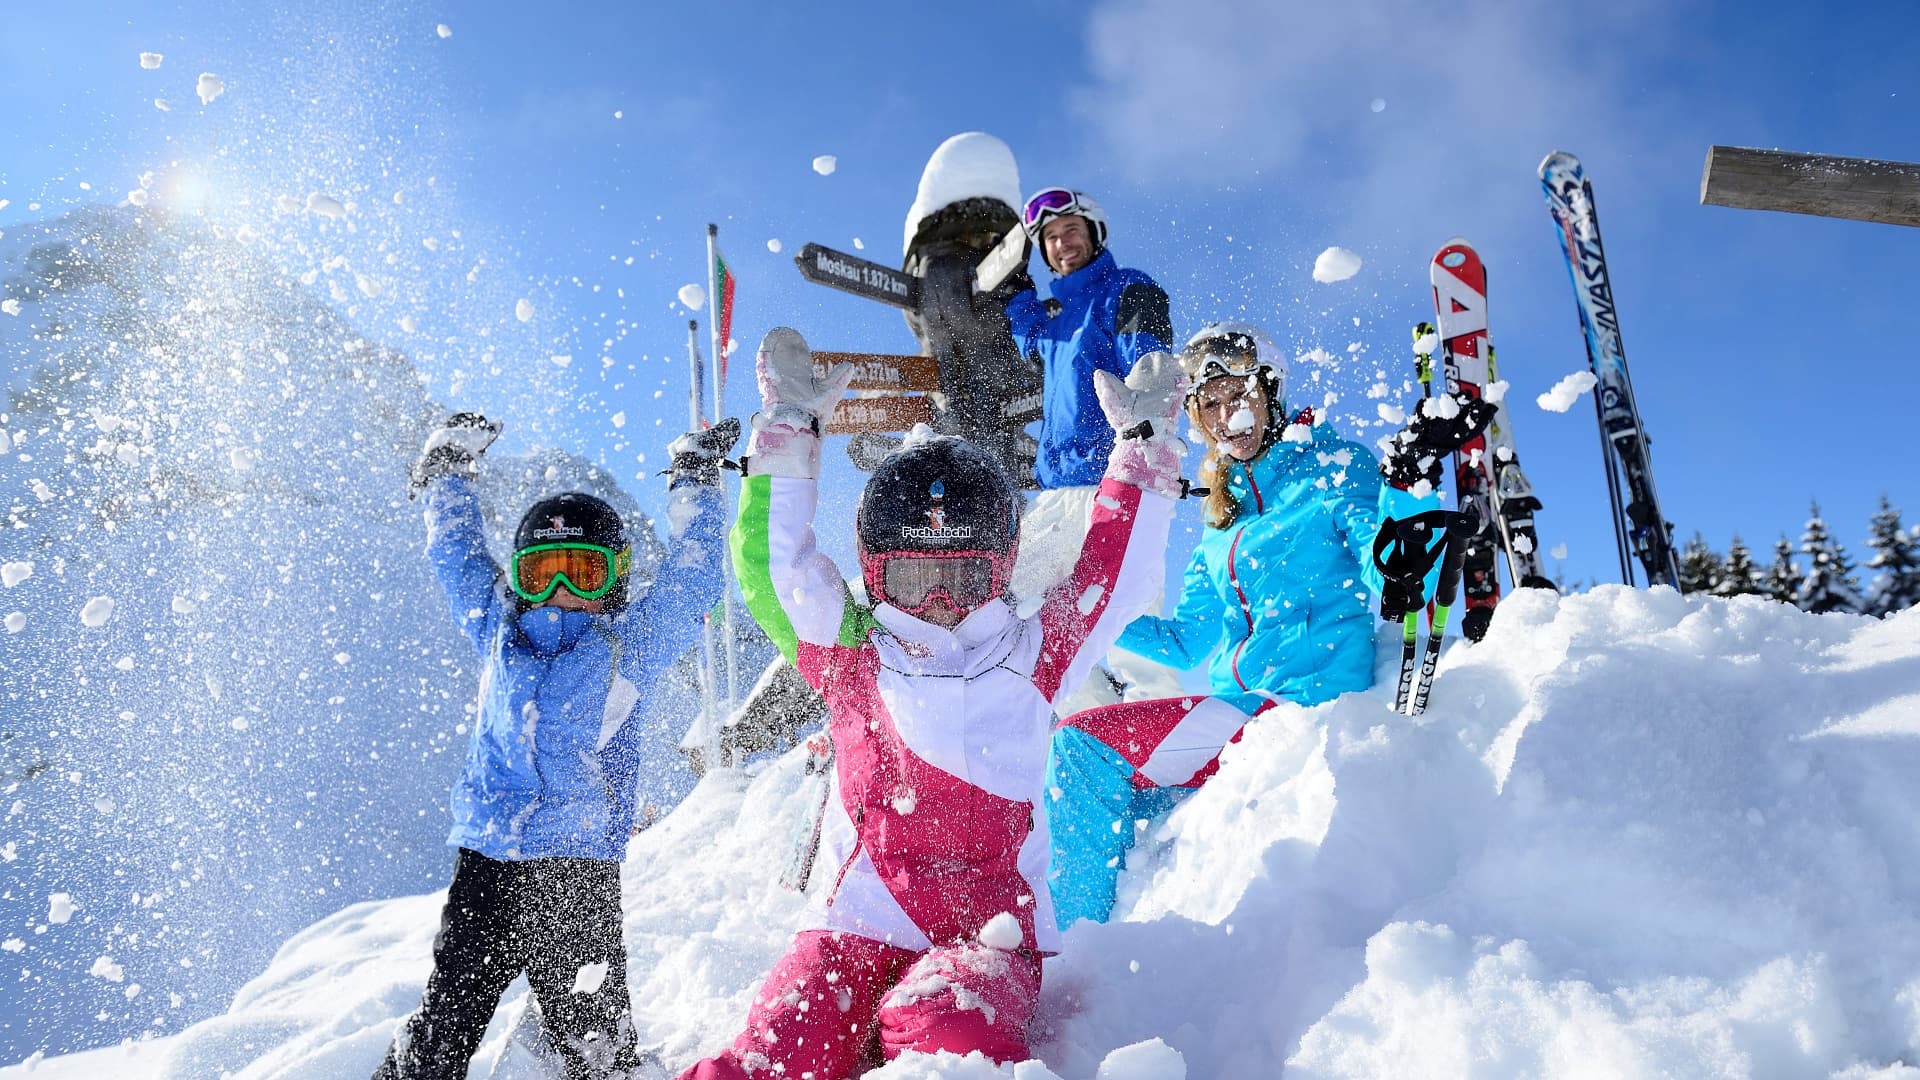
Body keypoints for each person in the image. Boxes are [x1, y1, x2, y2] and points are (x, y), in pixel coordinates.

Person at [676, 327, 1186, 1080]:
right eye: (915, 582)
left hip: (992, 938)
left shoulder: (1034, 651)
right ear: (877, 576)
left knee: (947, 1025)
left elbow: (1112, 570)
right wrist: (787, 436)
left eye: (965, 580)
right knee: (773, 1051)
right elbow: (774, 569)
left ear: (1002, 568)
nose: (941, 607)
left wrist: (1140, 459)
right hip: (853, 928)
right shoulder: (852, 654)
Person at [1044, 323, 1494, 929]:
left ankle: (1074, 956)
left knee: (1082, 749)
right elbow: (1184, 643)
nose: (1229, 414)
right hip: (1237, 710)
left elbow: (1389, 570)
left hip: (1299, 703)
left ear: (1271, 392)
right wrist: (1085, 611)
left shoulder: (1331, 467)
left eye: (1240, 395)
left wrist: (1405, 482)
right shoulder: (1220, 519)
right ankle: (1110, 933)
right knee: (1111, 803)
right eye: (1212, 405)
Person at [375, 412, 739, 1080]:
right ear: (518, 575)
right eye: (541, 572)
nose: (562, 592)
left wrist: (696, 482)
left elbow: (694, 579)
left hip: (575, 875)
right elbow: (456, 556)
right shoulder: (496, 626)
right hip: (486, 861)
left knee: (596, 1041)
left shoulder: (633, 643)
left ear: (617, 579)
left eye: (583, 572)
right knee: (445, 1029)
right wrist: (447, 475)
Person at [1003, 187, 1182, 703]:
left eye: (1072, 231)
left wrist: (1150, 409)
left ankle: (1161, 727)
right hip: (1058, 496)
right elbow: (1031, 335)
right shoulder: (1058, 322)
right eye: (1051, 239)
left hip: (1119, 481)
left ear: (1095, 233)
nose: (1062, 245)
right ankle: (1088, 724)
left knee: (1129, 618)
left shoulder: (1126, 290)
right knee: (1022, 615)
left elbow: (1148, 359)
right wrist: (1011, 290)